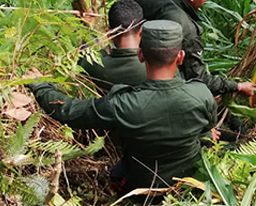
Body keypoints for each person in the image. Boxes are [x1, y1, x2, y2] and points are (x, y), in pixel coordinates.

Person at [29, 20, 217, 194]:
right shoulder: (202, 94)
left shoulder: (122, 103)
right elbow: (207, 128)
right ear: (181, 57)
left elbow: (67, 111)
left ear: (141, 55)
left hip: (142, 187)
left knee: (117, 173)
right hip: (191, 184)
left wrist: (41, 85)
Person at [133, 0, 256, 97]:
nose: (206, 0)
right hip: (155, 85)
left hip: (133, 62)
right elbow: (199, 79)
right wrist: (237, 86)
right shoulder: (187, 30)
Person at [77, 0, 146, 93]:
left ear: (109, 33)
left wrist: (90, 28)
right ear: (141, 31)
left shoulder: (93, 67)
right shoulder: (153, 67)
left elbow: (85, 56)